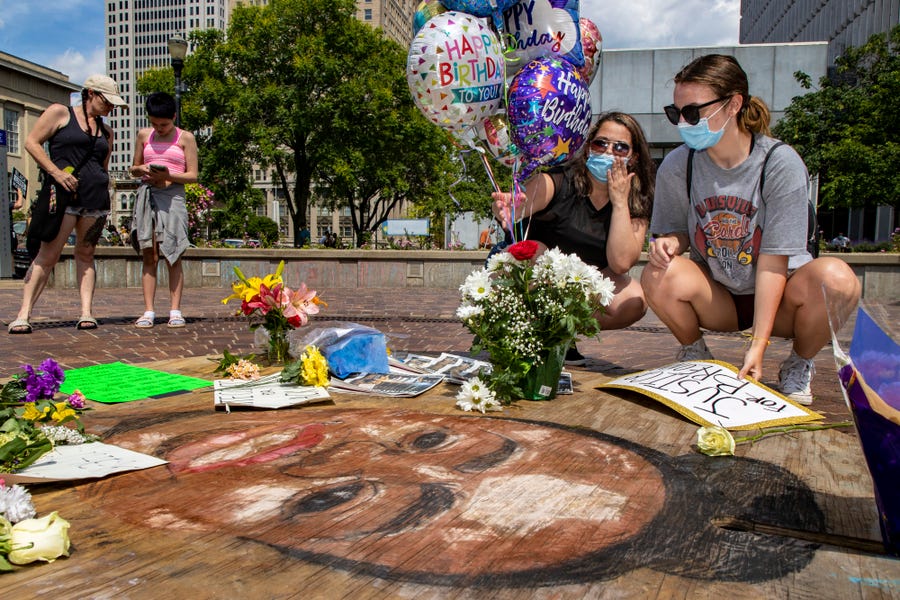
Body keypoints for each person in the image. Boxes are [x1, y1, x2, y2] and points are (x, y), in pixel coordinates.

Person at [641, 54, 861, 405]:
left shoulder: (779, 162)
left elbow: (774, 260)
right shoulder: (678, 164)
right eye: (676, 113)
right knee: (657, 274)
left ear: (734, 104)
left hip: (783, 297)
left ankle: (799, 363)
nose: (683, 122)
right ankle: (696, 354)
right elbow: (677, 230)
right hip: (721, 297)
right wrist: (669, 242)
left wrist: (759, 345)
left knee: (838, 279)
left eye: (693, 112)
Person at [491, 111, 656, 365]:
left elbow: (621, 263)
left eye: (620, 147)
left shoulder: (636, 199)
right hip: (534, 275)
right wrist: (507, 207)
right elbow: (516, 207)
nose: (608, 152)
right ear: (588, 147)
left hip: (583, 284)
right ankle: (523, 328)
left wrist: (620, 201)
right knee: (534, 250)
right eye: (601, 143)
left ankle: (560, 334)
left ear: (633, 157)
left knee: (633, 299)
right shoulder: (559, 178)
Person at [8, 74, 126, 334]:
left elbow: (103, 166)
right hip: (63, 199)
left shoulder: (107, 131)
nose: (110, 108)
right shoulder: (60, 113)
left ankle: (86, 312)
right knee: (47, 255)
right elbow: (32, 143)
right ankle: (23, 314)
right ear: (91, 94)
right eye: (107, 101)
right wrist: (57, 173)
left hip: (95, 201)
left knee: (86, 254)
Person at [130, 92, 198, 328]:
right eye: (154, 123)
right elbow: (134, 167)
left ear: (174, 117)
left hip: (173, 196)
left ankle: (175, 310)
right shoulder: (143, 135)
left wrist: (169, 175)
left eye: (164, 124)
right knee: (149, 253)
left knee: (174, 254)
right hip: (148, 194)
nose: (159, 128)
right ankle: (148, 311)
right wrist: (143, 169)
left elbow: (193, 175)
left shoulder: (186, 138)